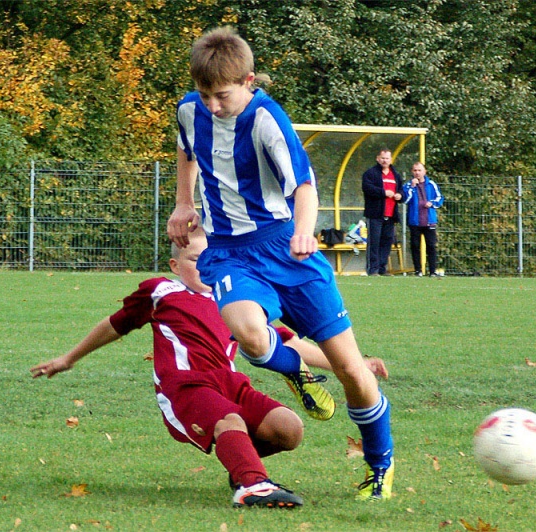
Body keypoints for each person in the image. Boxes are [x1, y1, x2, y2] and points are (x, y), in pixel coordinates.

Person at [167, 27, 396, 501]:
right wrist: (183, 203)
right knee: (249, 333)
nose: (213, 106)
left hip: (287, 249)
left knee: (352, 371)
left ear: (248, 82)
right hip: (230, 252)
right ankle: (295, 370)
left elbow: (304, 186)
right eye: (206, 95)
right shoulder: (190, 110)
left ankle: (380, 465)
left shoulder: (268, 120)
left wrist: (304, 231)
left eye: (223, 96)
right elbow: (186, 152)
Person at [30, 230, 391, 509]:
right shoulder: (161, 291)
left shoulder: (235, 299)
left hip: (230, 382)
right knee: (230, 422)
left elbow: (289, 343)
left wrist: (356, 364)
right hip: (186, 385)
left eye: (209, 258)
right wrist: (69, 358)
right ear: (175, 266)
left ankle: (239, 464)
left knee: (289, 429)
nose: (203, 267)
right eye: (193, 259)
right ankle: (252, 486)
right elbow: (114, 324)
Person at [362, 149, 404, 276]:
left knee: (387, 242)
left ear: (391, 160)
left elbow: (402, 190)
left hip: (391, 215)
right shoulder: (370, 173)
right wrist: (383, 192)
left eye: (387, 158)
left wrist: (400, 195)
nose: (385, 161)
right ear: (378, 159)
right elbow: (367, 188)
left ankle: (382, 268)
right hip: (375, 214)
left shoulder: (395, 175)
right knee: (374, 242)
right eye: (383, 158)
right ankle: (372, 269)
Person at [402, 162, 444, 277]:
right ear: (412, 172)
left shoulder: (431, 184)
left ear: (424, 171)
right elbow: (406, 200)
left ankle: (432, 271)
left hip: (429, 220)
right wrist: (412, 187)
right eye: (415, 170)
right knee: (415, 245)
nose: (417, 173)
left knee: (431, 246)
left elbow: (439, 198)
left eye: (419, 170)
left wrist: (432, 203)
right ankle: (418, 270)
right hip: (415, 221)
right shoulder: (408, 186)